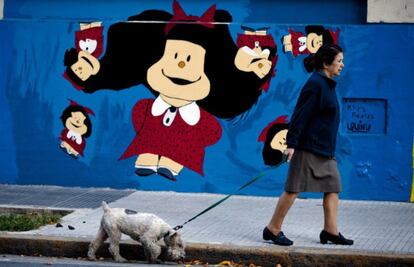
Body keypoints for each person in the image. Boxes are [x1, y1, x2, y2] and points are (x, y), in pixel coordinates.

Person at [263, 43, 353, 246]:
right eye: (339, 61)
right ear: (326, 63)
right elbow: (300, 116)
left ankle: (330, 231)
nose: (342, 65)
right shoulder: (316, 84)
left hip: (324, 151)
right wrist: (292, 143)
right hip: (308, 148)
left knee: (333, 186)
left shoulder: (326, 84)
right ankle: (272, 229)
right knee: (293, 189)